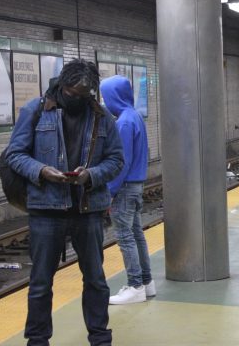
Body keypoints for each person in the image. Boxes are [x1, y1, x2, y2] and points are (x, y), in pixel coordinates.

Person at [6, 59, 124, 346]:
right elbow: (15, 155)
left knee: (95, 280)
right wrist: (42, 171)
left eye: (84, 96)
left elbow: (116, 159)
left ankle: (100, 339)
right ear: (61, 85)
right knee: (41, 283)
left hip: (88, 210)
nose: (77, 100)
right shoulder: (35, 111)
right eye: (72, 94)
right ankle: (37, 341)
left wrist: (91, 175)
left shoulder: (101, 116)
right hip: (46, 210)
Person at [100, 75, 155, 305]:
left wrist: (109, 191)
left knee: (125, 237)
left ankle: (135, 286)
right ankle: (146, 282)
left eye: (105, 96)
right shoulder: (135, 116)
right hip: (136, 184)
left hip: (124, 187)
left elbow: (121, 162)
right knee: (136, 234)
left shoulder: (123, 122)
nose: (104, 102)